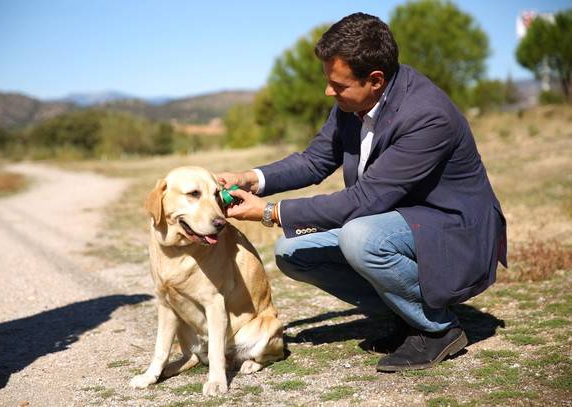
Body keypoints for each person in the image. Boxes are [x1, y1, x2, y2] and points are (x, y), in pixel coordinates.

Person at [217, 12, 507, 372]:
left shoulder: (426, 115)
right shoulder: (351, 104)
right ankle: (407, 315)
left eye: (337, 85)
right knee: (292, 252)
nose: (328, 91)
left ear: (375, 80)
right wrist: (250, 178)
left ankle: (437, 329)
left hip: (452, 231)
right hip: (397, 223)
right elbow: (314, 161)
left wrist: (269, 213)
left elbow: (365, 201)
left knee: (360, 236)